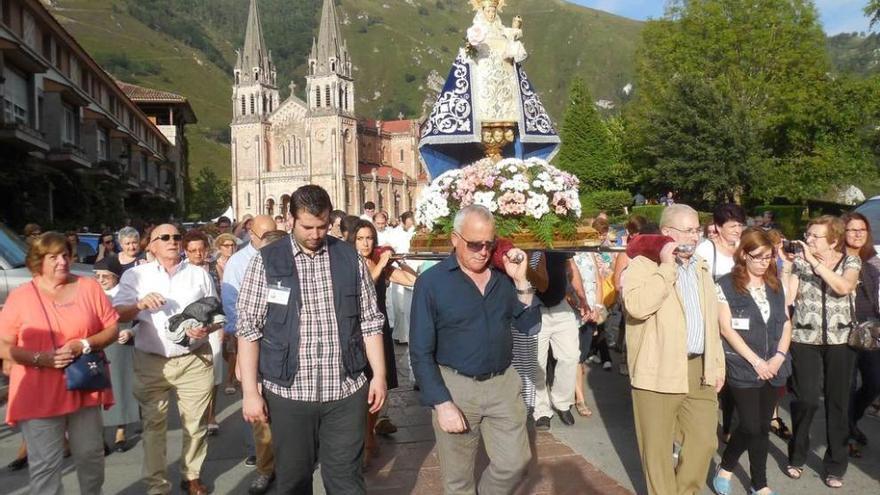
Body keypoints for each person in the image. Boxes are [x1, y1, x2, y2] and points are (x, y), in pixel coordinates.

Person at [237, 185, 387, 494]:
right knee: (293, 481)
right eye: (308, 227)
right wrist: (250, 392)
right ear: (290, 220)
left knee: (347, 480)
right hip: (289, 393)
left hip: (345, 390)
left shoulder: (349, 258)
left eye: (322, 226)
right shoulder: (266, 261)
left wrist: (380, 376)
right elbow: (249, 330)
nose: (316, 234)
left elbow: (371, 321)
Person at [410, 205, 540, 494]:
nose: (482, 251)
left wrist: (521, 280)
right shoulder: (432, 283)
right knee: (458, 481)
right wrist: (441, 403)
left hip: (503, 385)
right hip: (456, 387)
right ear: (455, 239)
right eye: (474, 244)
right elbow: (420, 350)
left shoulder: (504, 278)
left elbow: (530, 325)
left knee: (515, 463)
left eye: (488, 244)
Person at [0, 232, 118, 494]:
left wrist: (84, 344)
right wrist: (40, 358)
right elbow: (3, 345)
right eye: (53, 257)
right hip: (37, 390)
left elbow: (111, 328)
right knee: (45, 466)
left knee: (91, 458)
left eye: (65, 255)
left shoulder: (89, 287)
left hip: (83, 386)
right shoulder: (21, 297)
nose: (62, 262)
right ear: (38, 260)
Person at [623, 204, 725, 495]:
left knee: (704, 441)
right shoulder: (643, 265)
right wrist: (667, 268)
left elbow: (710, 321)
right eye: (689, 231)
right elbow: (637, 307)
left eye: (698, 230)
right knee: (657, 452)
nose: (695, 237)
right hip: (658, 369)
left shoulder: (700, 267)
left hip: (698, 368)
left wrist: (716, 364)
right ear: (667, 233)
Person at [114, 224, 222, 495]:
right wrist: (139, 305)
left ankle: (191, 475)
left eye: (176, 237)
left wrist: (206, 328)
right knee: (154, 425)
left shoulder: (198, 274)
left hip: (194, 358)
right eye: (165, 237)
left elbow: (217, 315)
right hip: (152, 362)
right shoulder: (135, 276)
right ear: (151, 245)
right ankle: (156, 485)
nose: (173, 241)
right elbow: (117, 314)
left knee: (195, 424)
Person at [781, 215, 860, 489]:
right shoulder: (800, 263)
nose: (808, 239)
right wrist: (787, 267)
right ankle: (798, 454)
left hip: (841, 340)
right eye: (808, 234)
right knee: (807, 399)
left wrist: (815, 264)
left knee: (838, 402)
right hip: (804, 338)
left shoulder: (851, 261)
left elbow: (843, 287)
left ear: (834, 240)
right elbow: (787, 299)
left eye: (815, 236)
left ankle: (836, 464)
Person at [712, 229, 791, 495]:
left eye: (768, 257)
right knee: (750, 425)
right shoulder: (725, 285)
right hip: (743, 365)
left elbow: (786, 322)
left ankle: (760, 484)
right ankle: (726, 466)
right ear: (744, 254)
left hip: (775, 365)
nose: (763, 262)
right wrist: (757, 361)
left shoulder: (776, 284)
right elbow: (726, 329)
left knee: (762, 429)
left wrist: (779, 357)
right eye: (757, 257)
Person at [347, 219, 418, 466]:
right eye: (360, 238)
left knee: (381, 384)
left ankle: (370, 431)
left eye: (369, 239)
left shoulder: (380, 263)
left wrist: (401, 262)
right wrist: (382, 263)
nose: (366, 243)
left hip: (380, 330)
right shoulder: (348, 264)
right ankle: (364, 438)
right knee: (363, 386)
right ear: (352, 240)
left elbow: (413, 281)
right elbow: (365, 285)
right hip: (358, 332)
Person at [220, 214, 277, 495]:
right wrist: (241, 353)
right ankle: (265, 466)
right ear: (251, 235)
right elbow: (232, 307)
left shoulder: (283, 255)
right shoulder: (239, 262)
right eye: (263, 237)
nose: (267, 241)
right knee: (258, 409)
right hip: (254, 344)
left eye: (273, 235)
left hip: (285, 348)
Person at [695, 203, 745, 441]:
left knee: (737, 375)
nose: (737, 230)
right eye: (732, 225)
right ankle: (707, 427)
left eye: (740, 225)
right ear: (717, 227)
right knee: (714, 375)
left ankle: (729, 425)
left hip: (740, 321)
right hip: (712, 323)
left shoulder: (745, 249)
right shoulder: (705, 250)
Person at [533, 249, 588, 431]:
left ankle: (562, 403)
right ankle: (541, 410)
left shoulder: (558, 236)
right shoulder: (528, 236)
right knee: (538, 362)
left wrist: (582, 297)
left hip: (560, 305)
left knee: (571, 356)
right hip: (534, 307)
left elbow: (570, 267)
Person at [841, 212, 880, 458]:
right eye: (852, 229)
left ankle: (851, 420)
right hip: (843, 327)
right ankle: (845, 435)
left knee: (875, 382)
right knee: (845, 385)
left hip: (870, 327)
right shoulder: (836, 259)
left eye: (861, 230)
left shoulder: (873, 258)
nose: (857, 234)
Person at [94, 257, 139, 453]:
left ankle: (121, 431)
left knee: (121, 388)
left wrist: (131, 332)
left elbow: (141, 321)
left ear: (116, 277)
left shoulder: (126, 295)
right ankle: (99, 436)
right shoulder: (92, 295)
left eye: (106, 276)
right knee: (97, 390)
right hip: (97, 347)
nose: (101, 280)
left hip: (121, 346)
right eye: (97, 276)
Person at [182, 230, 224, 437]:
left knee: (214, 371)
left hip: (212, 326)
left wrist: (221, 327)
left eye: (201, 249)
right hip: (189, 329)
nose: (198, 254)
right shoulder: (181, 273)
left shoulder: (214, 269)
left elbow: (221, 298)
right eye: (193, 250)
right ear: (186, 252)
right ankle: (194, 415)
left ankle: (211, 414)